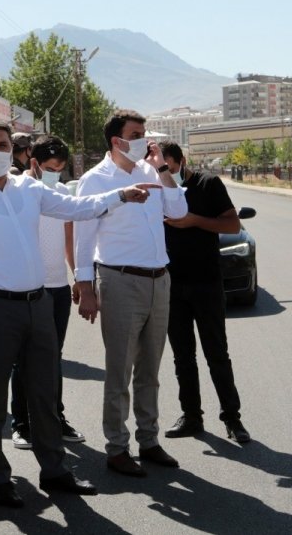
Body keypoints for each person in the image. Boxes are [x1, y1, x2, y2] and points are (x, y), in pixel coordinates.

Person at [0, 120, 158, 508]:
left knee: (44, 393)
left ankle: (55, 471)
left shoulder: (30, 189)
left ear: (14, 150)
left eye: (2, 144)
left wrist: (121, 195)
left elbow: (77, 207)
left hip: (38, 304)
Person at [74, 109, 188, 478]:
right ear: (117, 141)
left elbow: (179, 209)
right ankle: (117, 447)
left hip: (159, 278)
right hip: (119, 279)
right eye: (137, 134)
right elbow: (84, 234)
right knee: (119, 368)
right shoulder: (95, 180)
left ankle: (149, 441)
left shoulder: (152, 172)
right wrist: (84, 285)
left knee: (150, 369)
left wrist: (164, 170)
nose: (145, 140)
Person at [158, 142, 252, 444]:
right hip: (172, 286)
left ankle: (232, 418)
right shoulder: (154, 188)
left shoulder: (208, 184)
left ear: (181, 161)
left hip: (207, 284)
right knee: (182, 357)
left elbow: (232, 222)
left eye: (168, 167)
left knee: (217, 354)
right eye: (160, 168)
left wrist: (194, 221)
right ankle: (191, 416)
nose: (166, 175)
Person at [9, 136, 84, 451]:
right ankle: (22, 424)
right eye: (51, 168)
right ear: (32, 161)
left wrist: (78, 275)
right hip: (28, 290)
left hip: (58, 289)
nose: (56, 173)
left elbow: (69, 236)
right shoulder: (15, 191)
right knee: (24, 360)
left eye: (61, 168)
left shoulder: (62, 192)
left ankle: (56, 417)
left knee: (54, 358)